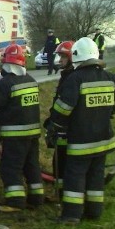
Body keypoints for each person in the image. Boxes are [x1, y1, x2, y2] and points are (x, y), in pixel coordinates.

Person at [48, 37, 115, 224]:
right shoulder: (109, 76)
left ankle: (71, 215)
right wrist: (112, 107)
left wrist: (54, 125)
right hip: (103, 140)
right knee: (95, 176)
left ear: (76, 56)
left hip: (81, 141)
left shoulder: (75, 78)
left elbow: (63, 109)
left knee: (75, 176)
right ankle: (94, 211)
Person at [0, 44, 44, 213]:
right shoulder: (31, 80)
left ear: (6, 62)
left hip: (15, 135)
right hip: (33, 134)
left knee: (10, 167)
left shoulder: (6, 84)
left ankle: (15, 202)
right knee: (31, 165)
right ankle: (37, 198)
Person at [44, 40, 74, 200]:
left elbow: (65, 105)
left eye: (63, 56)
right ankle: (61, 194)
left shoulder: (72, 77)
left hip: (66, 129)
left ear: (71, 57)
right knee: (59, 162)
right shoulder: (66, 75)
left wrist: (54, 122)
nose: (60, 59)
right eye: (59, 56)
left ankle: (63, 196)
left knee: (62, 163)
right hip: (62, 127)